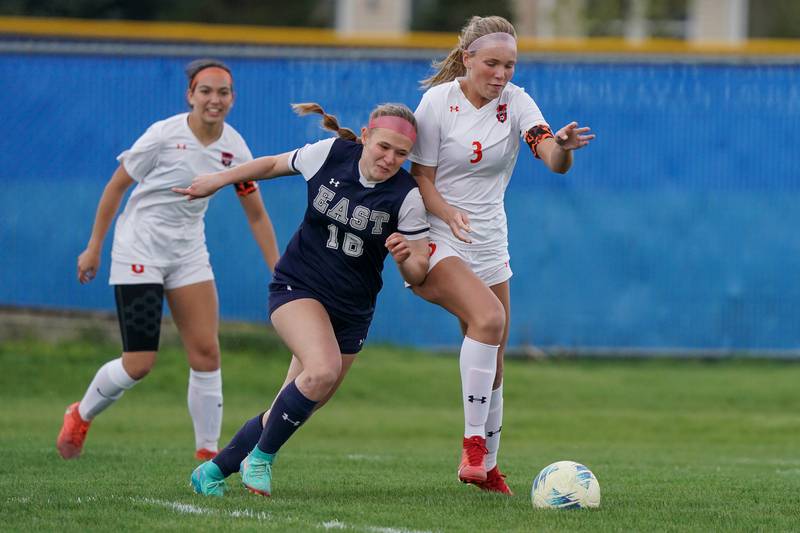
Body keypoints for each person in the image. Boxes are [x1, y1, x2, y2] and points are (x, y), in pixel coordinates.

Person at [174, 102, 430, 497]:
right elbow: (271, 165)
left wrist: (406, 258)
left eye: (401, 154)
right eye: (383, 147)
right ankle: (260, 460)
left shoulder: (406, 196)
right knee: (322, 371)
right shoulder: (329, 154)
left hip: (352, 311)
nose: (389, 158)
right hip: (299, 286)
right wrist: (218, 180)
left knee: (298, 400)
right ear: (364, 136)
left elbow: (419, 272)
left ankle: (212, 471)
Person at [56, 58, 280, 462]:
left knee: (207, 353)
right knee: (139, 363)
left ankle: (208, 455)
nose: (215, 100)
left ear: (232, 98)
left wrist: (278, 270)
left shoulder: (235, 148)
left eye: (223, 92)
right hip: (138, 249)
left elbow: (257, 213)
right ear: (190, 95)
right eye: (206, 91)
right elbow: (115, 187)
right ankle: (80, 413)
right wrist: (94, 246)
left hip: (188, 253)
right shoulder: (163, 135)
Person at [408, 16, 595, 495]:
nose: (501, 73)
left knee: (495, 356)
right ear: (467, 58)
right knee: (488, 320)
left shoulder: (516, 101)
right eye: (491, 63)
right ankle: (472, 446)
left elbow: (548, 154)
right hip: (436, 235)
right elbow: (421, 178)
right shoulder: (437, 101)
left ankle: (488, 470)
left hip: (489, 240)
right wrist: (447, 213)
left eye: (509, 64)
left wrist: (565, 149)